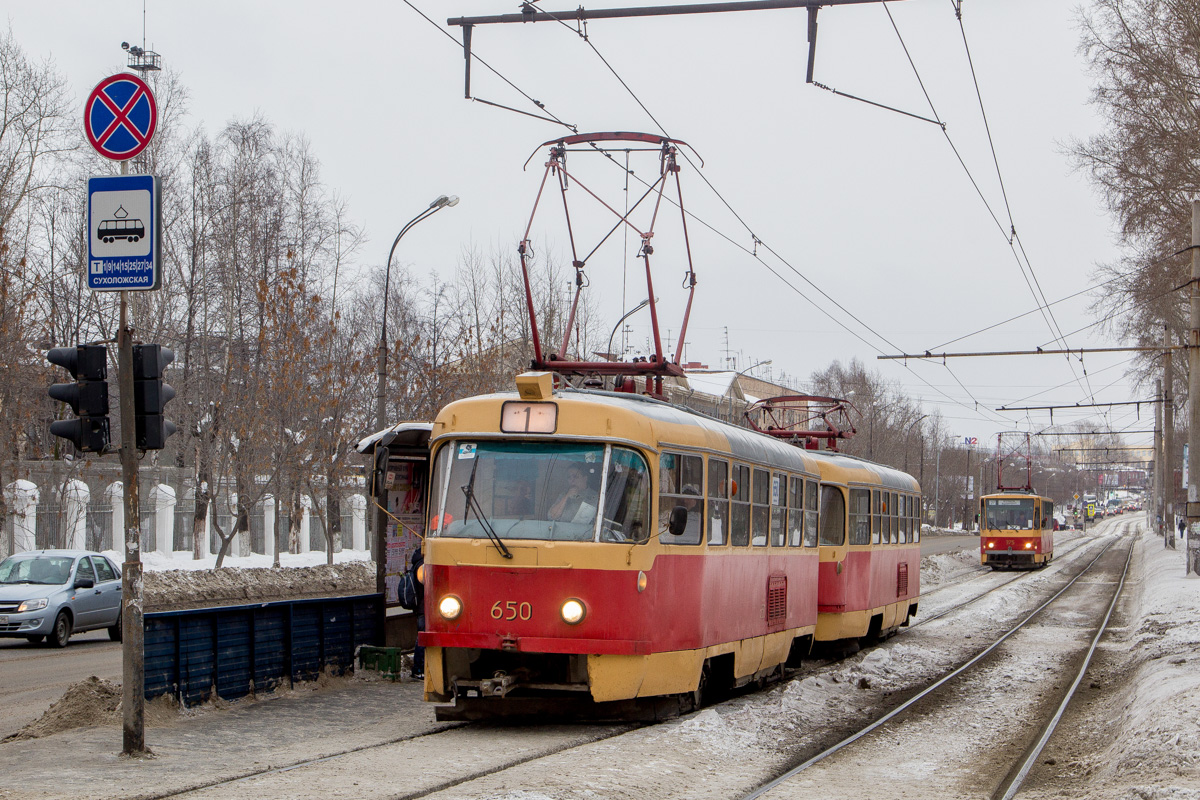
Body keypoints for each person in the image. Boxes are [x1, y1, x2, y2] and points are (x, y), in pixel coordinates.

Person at [409, 548, 425, 680]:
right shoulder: (422, 566)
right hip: (424, 608)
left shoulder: (417, 563)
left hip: (420, 608)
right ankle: (418, 668)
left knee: (421, 637)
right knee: (422, 637)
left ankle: (418, 668)